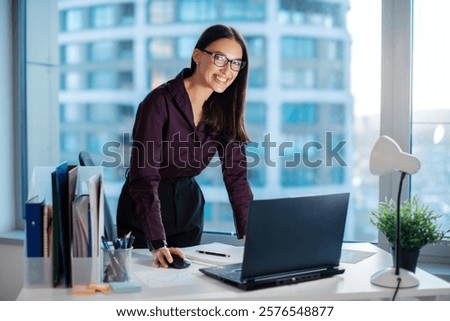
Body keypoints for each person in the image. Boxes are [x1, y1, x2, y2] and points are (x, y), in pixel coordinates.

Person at [116, 24, 253, 268]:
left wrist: (251, 235)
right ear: (197, 55)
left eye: (235, 63)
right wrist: (157, 242)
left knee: (185, 285)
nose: (227, 70)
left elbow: (236, 177)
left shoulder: (224, 109)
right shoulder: (159, 103)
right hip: (144, 210)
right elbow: (144, 176)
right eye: (220, 58)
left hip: (187, 208)